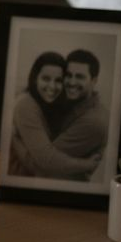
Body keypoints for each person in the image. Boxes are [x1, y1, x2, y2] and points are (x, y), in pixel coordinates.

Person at [8, 51, 101, 179]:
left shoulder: (49, 103)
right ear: (35, 79)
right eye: (46, 79)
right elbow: (46, 159)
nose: (52, 86)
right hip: (18, 181)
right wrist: (86, 165)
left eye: (58, 80)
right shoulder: (25, 104)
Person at [48, 49, 110, 181]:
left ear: (94, 81)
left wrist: (16, 137)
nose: (71, 82)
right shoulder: (71, 103)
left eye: (79, 77)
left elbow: (44, 159)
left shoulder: (94, 122)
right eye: (68, 75)